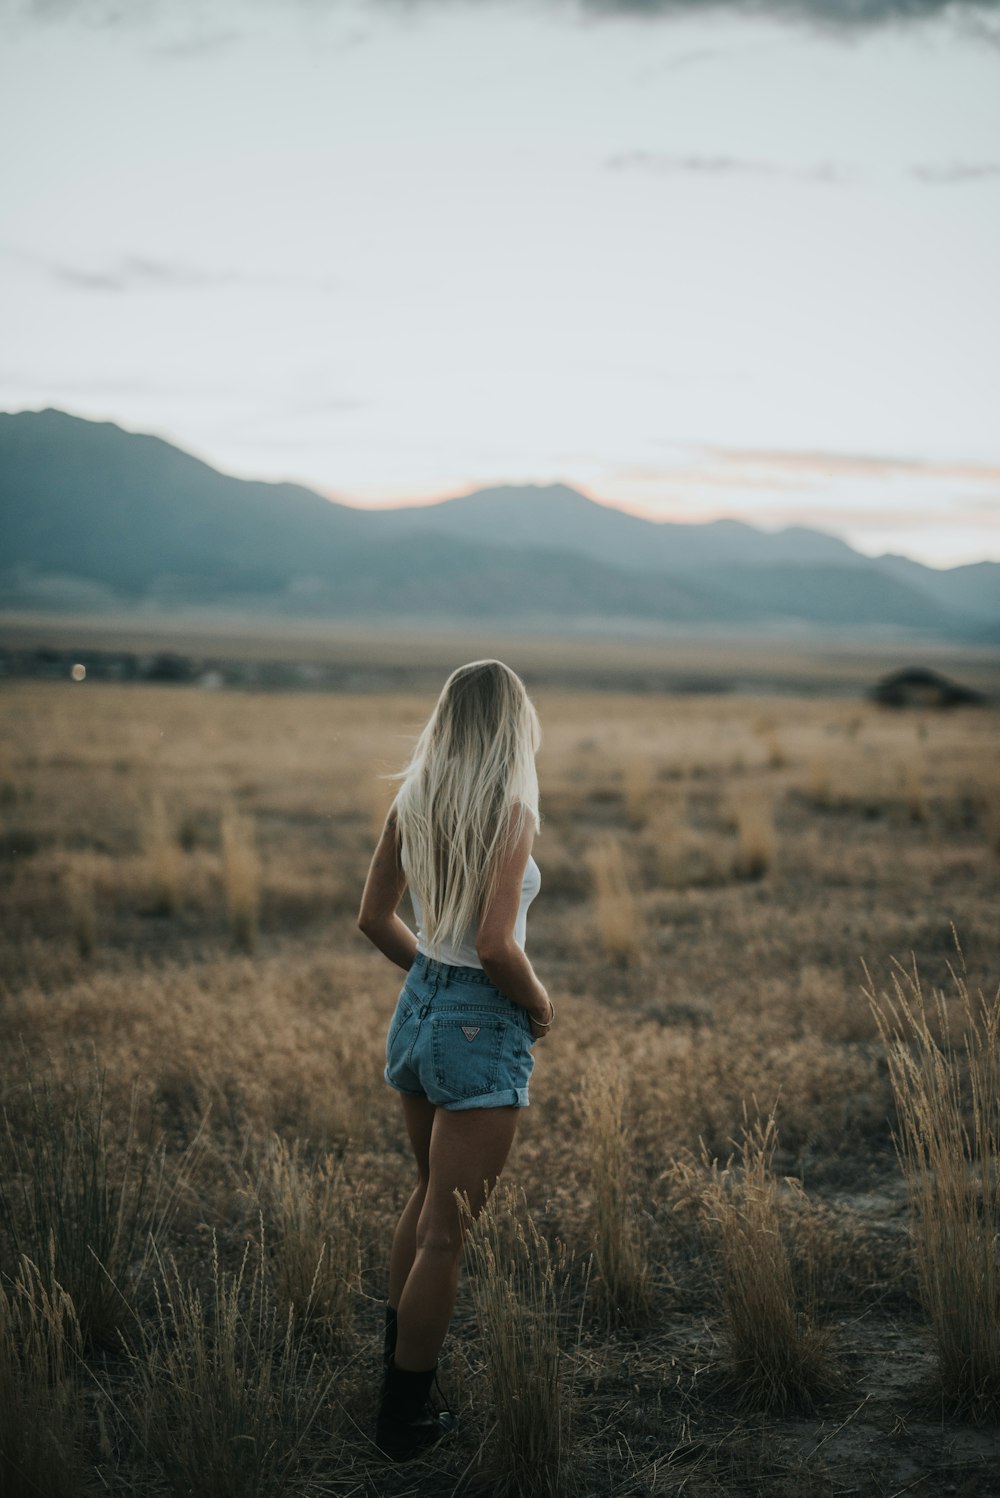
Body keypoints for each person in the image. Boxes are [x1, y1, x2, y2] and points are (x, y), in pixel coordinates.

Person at [357, 659, 555, 1462]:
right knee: (447, 1234)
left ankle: (398, 1378)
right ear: (514, 725)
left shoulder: (415, 797)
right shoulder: (511, 811)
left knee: (427, 1199)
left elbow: (373, 918)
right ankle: (404, 1423)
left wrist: (431, 989)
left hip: (421, 1005)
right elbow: (497, 945)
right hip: (480, 1012)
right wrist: (537, 1003)